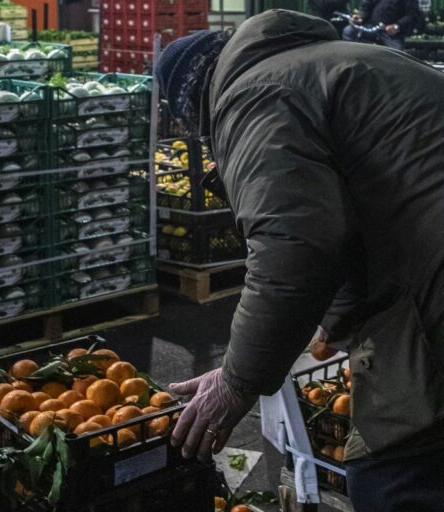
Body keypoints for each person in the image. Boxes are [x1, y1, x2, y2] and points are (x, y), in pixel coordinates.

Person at [155, 10, 444, 512]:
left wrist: (236, 381)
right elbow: (367, 202)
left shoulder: (253, 95)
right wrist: (339, 315)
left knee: (390, 474)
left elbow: (295, 246)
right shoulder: (328, 63)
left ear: (191, 103)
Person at [342, 0, 419, 50]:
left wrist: (398, 26)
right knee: (349, 31)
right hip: (372, 27)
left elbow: (412, 15)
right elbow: (367, 4)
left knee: (398, 54)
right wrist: (361, 17)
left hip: (391, 34)